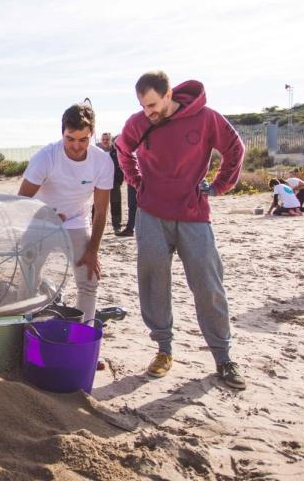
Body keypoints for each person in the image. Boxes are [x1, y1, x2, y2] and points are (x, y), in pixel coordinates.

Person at [116, 71, 247, 390]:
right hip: (151, 214)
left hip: (193, 214)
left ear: (169, 94)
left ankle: (223, 357)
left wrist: (219, 186)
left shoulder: (205, 118)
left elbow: (235, 150)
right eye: (143, 106)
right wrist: (136, 181)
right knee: (153, 281)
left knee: (208, 284)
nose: (148, 112)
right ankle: (163, 350)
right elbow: (123, 150)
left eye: (152, 104)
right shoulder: (138, 122)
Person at [18, 103, 113, 323]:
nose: (76, 146)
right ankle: (24, 332)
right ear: (62, 133)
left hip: (75, 221)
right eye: (70, 139)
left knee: (89, 280)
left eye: (83, 140)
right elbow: (21, 202)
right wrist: (45, 217)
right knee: (27, 281)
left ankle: (84, 334)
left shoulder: (102, 162)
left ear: (92, 135)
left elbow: (100, 211)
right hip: (40, 220)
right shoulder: (46, 157)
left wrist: (93, 250)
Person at [97, 132, 124, 233]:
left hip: (114, 182)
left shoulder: (116, 151)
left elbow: (121, 165)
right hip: (98, 182)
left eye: (107, 139)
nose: (105, 141)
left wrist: (119, 180)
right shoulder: (97, 152)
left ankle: (117, 226)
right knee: (97, 205)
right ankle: (95, 226)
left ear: (110, 140)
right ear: (101, 140)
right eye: (103, 139)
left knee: (116, 204)